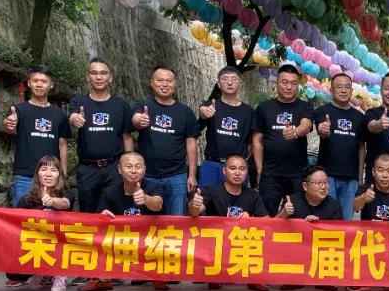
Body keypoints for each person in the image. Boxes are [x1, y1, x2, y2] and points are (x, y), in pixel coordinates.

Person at [79, 152, 163, 291]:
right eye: (129, 166)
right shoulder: (110, 191)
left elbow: (158, 204)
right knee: (97, 236)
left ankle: (156, 275)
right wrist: (103, 216)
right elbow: (99, 217)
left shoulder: (153, 186)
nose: (133, 171)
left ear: (144, 170)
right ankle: (102, 279)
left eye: (138, 167)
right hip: (122, 240)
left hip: (148, 239)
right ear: (119, 169)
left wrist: (146, 199)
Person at [188, 154, 269, 291]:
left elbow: (268, 222)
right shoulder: (211, 190)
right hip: (218, 243)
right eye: (233, 168)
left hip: (242, 242)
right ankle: (215, 275)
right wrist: (194, 204)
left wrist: (251, 220)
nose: (237, 173)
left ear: (247, 172)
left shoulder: (253, 195)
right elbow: (195, 212)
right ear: (224, 171)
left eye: (242, 169)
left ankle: (254, 278)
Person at [131, 64, 199, 216]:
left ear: (175, 84)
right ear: (152, 83)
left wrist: (192, 175)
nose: (165, 84)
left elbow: (191, 143)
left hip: (176, 175)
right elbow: (135, 119)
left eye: (169, 81)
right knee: (147, 220)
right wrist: (140, 120)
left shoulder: (185, 112)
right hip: (147, 174)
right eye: (160, 80)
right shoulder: (143, 106)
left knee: (177, 219)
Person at [68, 57, 133, 214]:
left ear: (110, 78)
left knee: (118, 211)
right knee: (88, 213)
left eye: (103, 73)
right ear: (87, 77)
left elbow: (127, 136)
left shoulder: (121, 104)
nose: (99, 77)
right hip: (88, 168)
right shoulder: (79, 101)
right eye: (94, 73)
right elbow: (73, 117)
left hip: (114, 167)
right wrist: (75, 119)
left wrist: (129, 164)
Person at [2, 65, 71, 207]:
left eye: (44, 81)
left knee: (50, 216)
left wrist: (63, 175)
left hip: (52, 177)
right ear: (29, 83)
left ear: (51, 85)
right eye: (35, 81)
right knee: (20, 217)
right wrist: (8, 123)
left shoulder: (60, 115)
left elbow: (62, 144)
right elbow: (9, 126)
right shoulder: (19, 110)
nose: (39, 84)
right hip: (24, 176)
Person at [252, 64, 315, 216]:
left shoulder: (305, 106)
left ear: (298, 85)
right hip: (270, 174)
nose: (289, 87)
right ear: (277, 83)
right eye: (284, 82)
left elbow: (306, 125)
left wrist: (295, 132)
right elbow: (257, 141)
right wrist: (260, 170)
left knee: (297, 216)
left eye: (293, 83)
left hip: (297, 174)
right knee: (266, 216)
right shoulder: (264, 108)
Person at [346, 153, 389, 291]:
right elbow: (355, 206)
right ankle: (367, 278)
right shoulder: (366, 189)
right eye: (380, 170)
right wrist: (363, 198)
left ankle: (387, 275)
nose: (385, 175)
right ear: (373, 172)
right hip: (369, 243)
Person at [18, 156, 74, 291]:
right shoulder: (26, 200)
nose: (48, 174)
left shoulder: (67, 194)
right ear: (37, 173)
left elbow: (66, 203)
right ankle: (43, 271)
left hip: (60, 243)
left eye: (53, 170)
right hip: (37, 244)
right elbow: (9, 218)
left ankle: (60, 274)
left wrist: (53, 201)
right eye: (44, 169)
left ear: (59, 175)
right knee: (13, 274)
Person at [314, 72, 364, 219]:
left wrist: (360, 177)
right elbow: (322, 131)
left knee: (346, 221)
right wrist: (323, 130)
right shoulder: (322, 112)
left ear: (352, 91)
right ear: (331, 90)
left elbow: (361, 147)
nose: (343, 90)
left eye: (347, 87)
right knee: (326, 220)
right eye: (339, 86)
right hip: (326, 177)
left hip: (351, 178)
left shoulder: (359, 117)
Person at [198, 66, 255, 188]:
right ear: (218, 84)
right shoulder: (211, 105)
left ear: (240, 83)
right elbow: (202, 112)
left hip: (237, 167)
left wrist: (244, 161)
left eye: (234, 79)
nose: (229, 82)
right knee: (206, 198)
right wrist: (203, 111)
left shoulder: (249, 111)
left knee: (238, 200)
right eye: (225, 79)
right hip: (212, 165)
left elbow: (253, 141)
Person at [276, 164, 344, 221]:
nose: (323, 187)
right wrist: (284, 213)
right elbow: (274, 227)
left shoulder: (335, 206)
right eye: (318, 183)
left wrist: (316, 226)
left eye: (326, 182)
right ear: (305, 186)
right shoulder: (291, 202)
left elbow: (339, 230)